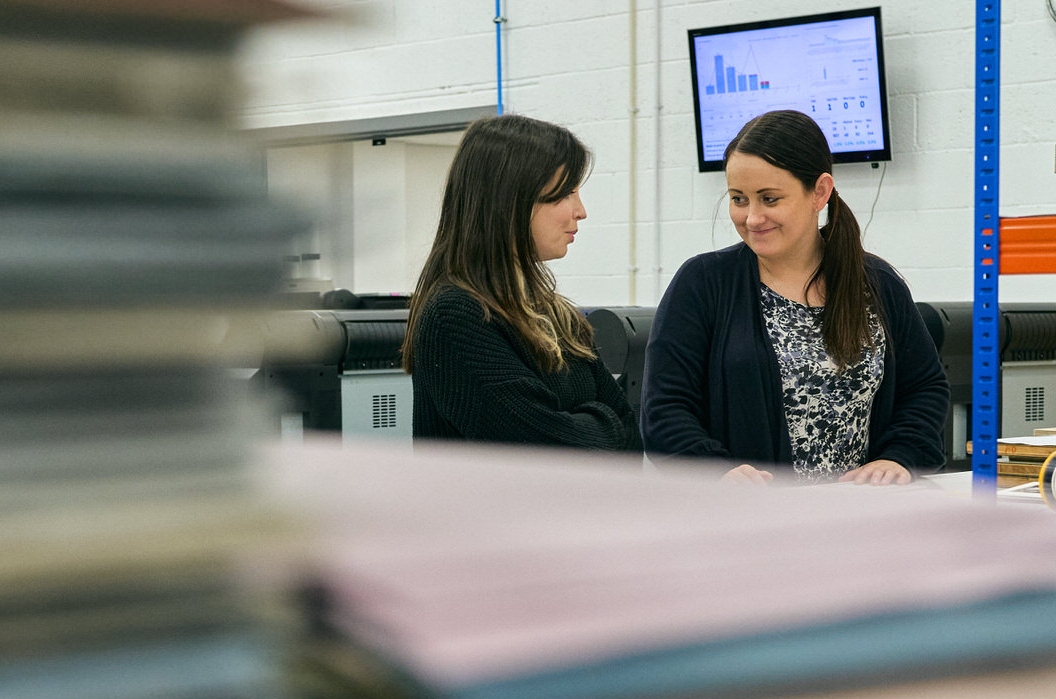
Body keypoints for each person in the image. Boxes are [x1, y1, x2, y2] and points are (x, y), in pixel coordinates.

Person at [639, 110, 946, 483]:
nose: (752, 218)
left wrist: (900, 457)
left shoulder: (876, 283)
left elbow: (924, 388)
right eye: (739, 199)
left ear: (819, 192)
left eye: (769, 199)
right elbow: (665, 409)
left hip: (859, 515)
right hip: (747, 521)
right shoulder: (703, 283)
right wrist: (719, 473)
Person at [402, 115, 640, 451]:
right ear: (511, 201)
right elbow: (545, 453)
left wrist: (587, 426)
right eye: (565, 193)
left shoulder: (554, 313)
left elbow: (631, 434)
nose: (581, 210)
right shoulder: (455, 317)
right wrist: (603, 424)